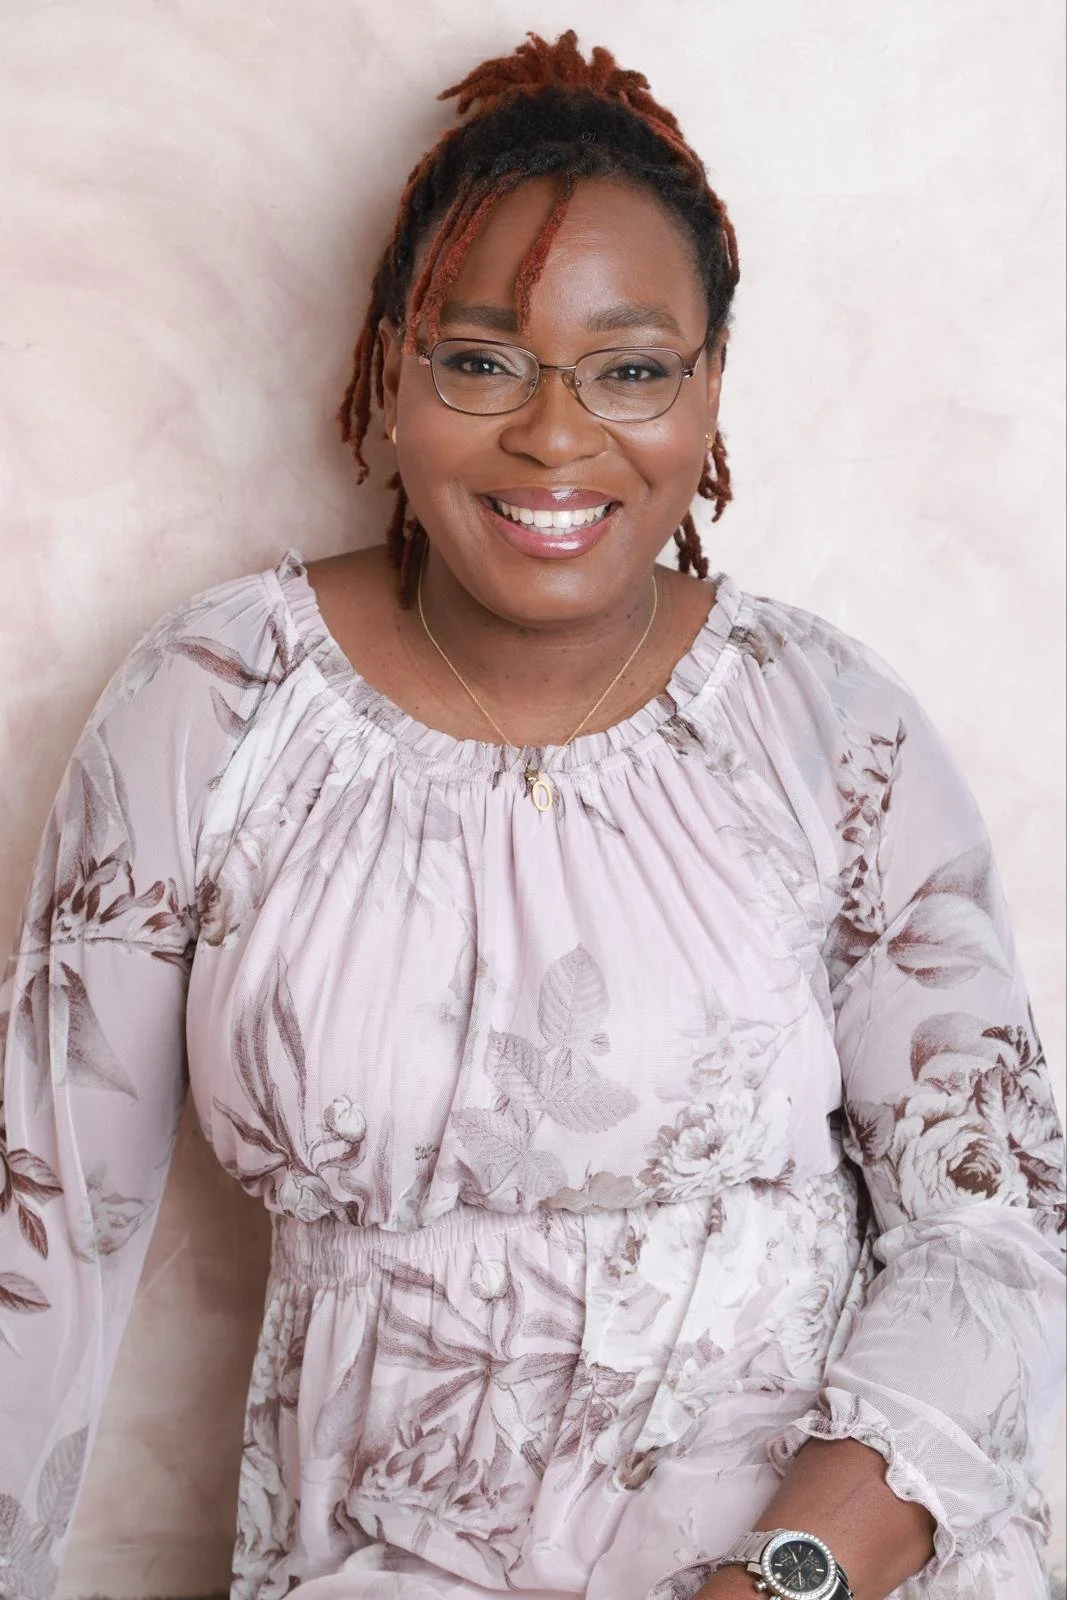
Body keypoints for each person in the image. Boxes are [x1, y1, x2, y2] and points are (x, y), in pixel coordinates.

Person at [0, 28, 1063, 1600]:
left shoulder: (826, 728)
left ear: (707, 391)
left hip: (818, 1565)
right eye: (481, 357)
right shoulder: (213, 706)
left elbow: (1001, 1235)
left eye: (630, 367)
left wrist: (778, 1578)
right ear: (388, 367)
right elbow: (39, 1238)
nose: (555, 438)